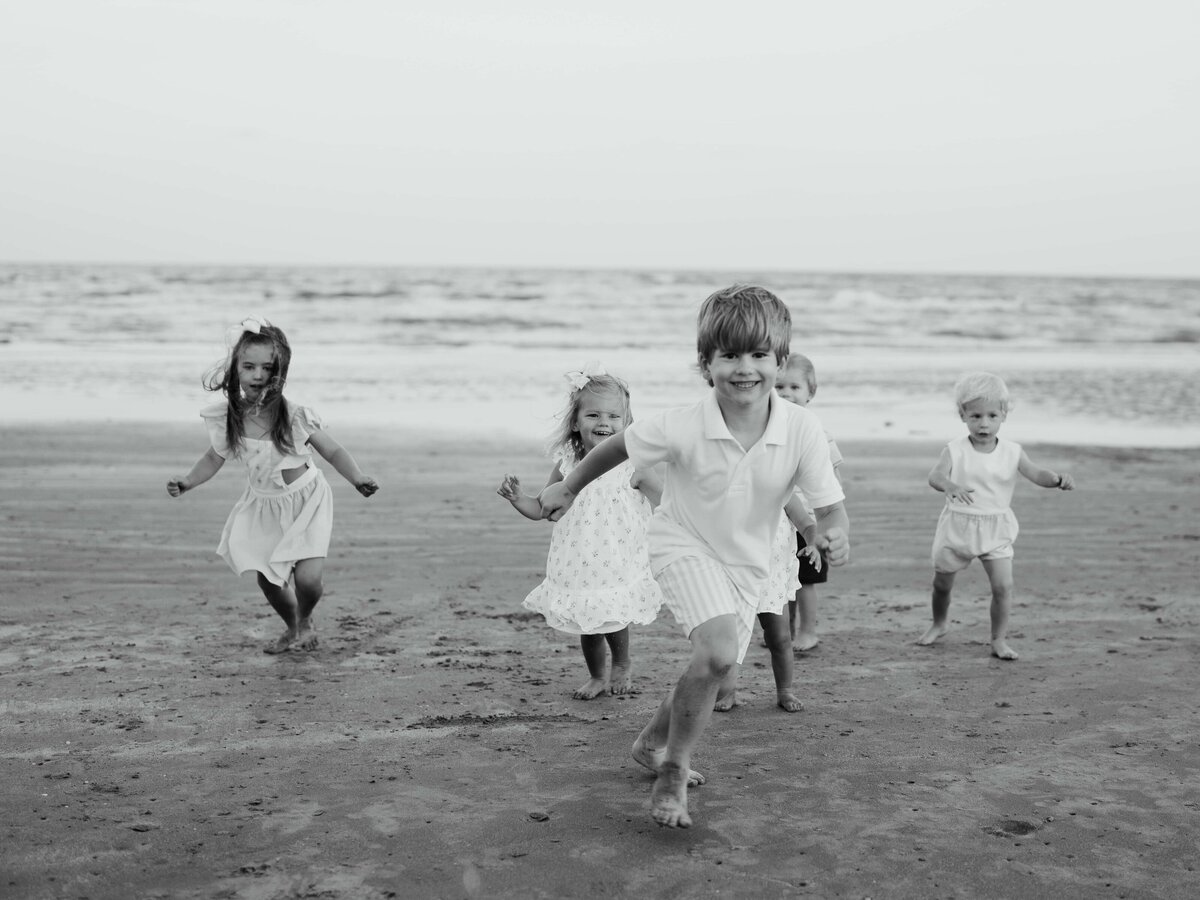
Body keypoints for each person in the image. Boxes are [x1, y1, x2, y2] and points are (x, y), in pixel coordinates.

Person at [538, 285, 849, 828]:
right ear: (706, 364)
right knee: (716, 652)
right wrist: (569, 486)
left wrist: (830, 532)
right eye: (729, 355)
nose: (744, 368)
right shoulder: (682, 423)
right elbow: (619, 447)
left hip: (747, 563)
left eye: (758, 355)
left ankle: (652, 741)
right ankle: (673, 773)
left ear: (780, 360)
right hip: (682, 544)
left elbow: (827, 505)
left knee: (717, 662)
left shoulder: (802, 430)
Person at [167, 317, 378, 654]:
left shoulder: (293, 415)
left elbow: (332, 450)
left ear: (279, 371)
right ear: (235, 368)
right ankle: (293, 626)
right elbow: (213, 457)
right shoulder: (230, 417)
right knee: (268, 579)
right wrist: (187, 481)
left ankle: (306, 618)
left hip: (306, 502)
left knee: (308, 580)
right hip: (263, 506)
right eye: (249, 366)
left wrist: (357, 477)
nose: (257, 374)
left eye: (267, 367)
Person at [497, 364, 663, 700]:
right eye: (593, 415)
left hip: (619, 556)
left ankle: (622, 662)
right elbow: (542, 508)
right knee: (587, 622)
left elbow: (666, 506)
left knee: (614, 617)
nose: (604, 423)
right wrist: (519, 499)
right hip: (578, 560)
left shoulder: (634, 464)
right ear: (575, 421)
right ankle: (597, 675)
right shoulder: (566, 464)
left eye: (614, 416)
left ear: (627, 423)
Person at [917, 371, 1075, 660]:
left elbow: (1035, 473)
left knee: (1004, 587)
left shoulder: (1013, 452)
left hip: (996, 527)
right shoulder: (955, 449)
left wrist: (1054, 479)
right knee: (942, 584)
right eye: (975, 416)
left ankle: (998, 640)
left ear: (1004, 414)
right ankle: (939, 623)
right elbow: (935, 476)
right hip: (958, 526)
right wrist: (949, 485)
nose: (984, 423)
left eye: (991, 415)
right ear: (962, 414)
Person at [714, 497, 821, 713]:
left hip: (772, 574)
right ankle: (728, 691)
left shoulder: (782, 487)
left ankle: (785, 690)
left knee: (779, 637)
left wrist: (812, 543)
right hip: (735, 572)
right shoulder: (730, 483)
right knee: (731, 637)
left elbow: (806, 523)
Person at [775, 353, 844, 651]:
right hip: (776, 519)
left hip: (810, 522)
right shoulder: (768, 431)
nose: (786, 393)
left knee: (806, 579)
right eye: (779, 387)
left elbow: (833, 485)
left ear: (810, 393)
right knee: (778, 578)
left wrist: (830, 523)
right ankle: (782, 631)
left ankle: (807, 631)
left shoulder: (820, 435)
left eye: (794, 387)